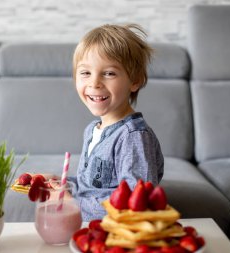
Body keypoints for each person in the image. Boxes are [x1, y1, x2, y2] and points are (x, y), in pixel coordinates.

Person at [68, 24, 164, 220]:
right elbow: (93, 187)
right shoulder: (92, 130)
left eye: (109, 73)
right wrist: (63, 185)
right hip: (88, 230)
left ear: (135, 81)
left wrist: (72, 203)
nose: (94, 83)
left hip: (114, 235)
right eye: (85, 73)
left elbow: (135, 205)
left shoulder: (132, 137)